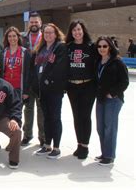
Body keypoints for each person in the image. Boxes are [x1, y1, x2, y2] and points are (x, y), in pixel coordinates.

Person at [31, 23, 68, 159]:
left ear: (56, 33)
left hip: (54, 89)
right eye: (46, 33)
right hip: (42, 90)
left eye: (51, 32)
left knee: (55, 117)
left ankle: (56, 148)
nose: (48, 35)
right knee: (46, 118)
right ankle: (47, 145)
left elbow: (59, 68)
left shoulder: (60, 47)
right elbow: (36, 68)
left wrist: (47, 81)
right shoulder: (40, 48)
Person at [94, 36, 129, 166]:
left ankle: (109, 156)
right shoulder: (98, 61)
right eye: (99, 46)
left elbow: (125, 82)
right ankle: (104, 153)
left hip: (113, 100)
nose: (102, 48)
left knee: (110, 127)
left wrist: (112, 93)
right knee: (100, 127)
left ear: (110, 47)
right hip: (101, 99)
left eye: (104, 46)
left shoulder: (117, 62)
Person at [65, 19, 96, 159]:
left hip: (87, 86)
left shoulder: (91, 47)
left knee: (85, 116)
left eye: (79, 29)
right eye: (74, 30)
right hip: (72, 86)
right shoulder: (68, 47)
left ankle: (85, 146)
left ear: (83, 30)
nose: (77, 32)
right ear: (71, 32)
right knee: (76, 116)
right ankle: (79, 143)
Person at [21, 11, 45, 146]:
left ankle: (43, 137)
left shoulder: (46, 37)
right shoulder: (22, 38)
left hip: (41, 80)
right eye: (32, 22)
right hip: (27, 79)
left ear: (40, 23)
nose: (34, 24)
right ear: (28, 23)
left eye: (36, 22)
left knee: (41, 110)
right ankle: (27, 135)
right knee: (28, 109)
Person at [0, 26, 31, 100]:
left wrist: (26, 91)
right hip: (5, 87)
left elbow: (28, 72)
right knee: (6, 111)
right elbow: (0, 71)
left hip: (19, 88)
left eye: (14, 36)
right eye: (9, 36)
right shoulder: (3, 52)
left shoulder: (24, 52)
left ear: (18, 37)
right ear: (7, 38)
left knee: (17, 111)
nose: (12, 38)